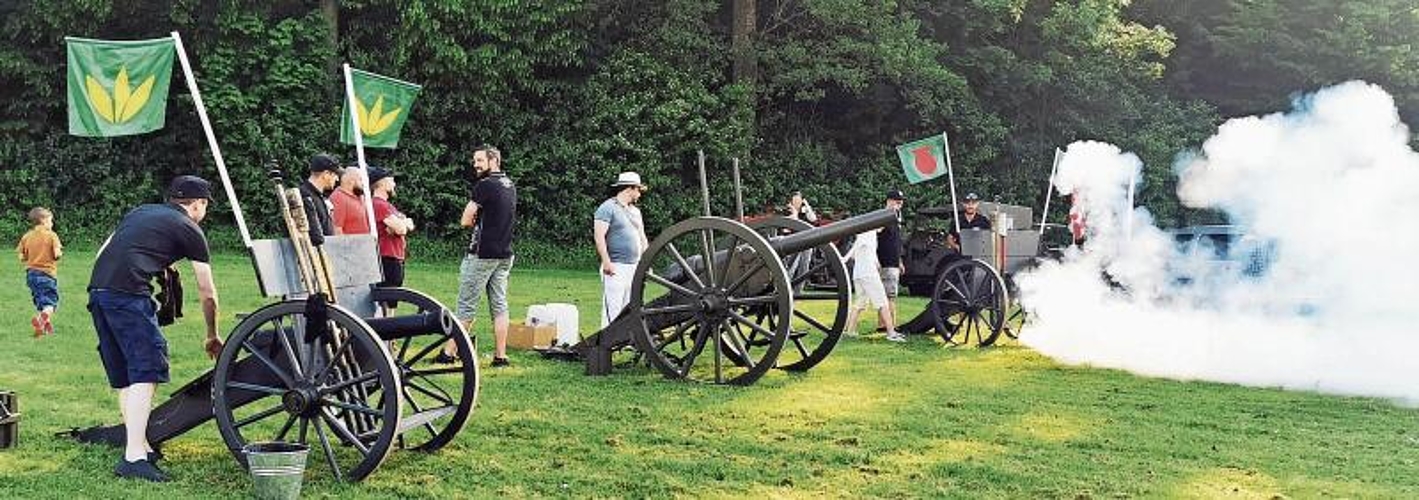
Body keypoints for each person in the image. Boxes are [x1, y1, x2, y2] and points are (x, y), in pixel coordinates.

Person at [88, 175, 222, 482]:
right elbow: (208, 292)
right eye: (205, 205)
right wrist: (212, 334)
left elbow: (103, 252)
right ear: (198, 204)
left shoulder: (140, 212)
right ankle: (134, 457)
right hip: (128, 296)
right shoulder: (191, 228)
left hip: (98, 290)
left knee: (126, 373)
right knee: (147, 368)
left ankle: (141, 445)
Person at [447, 145, 517, 367]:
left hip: (482, 254)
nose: (475, 165)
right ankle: (500, 356)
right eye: (474, 160)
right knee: (499, 305)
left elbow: (465, 219)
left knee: (466, 304)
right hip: (505, 254)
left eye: (479, 160)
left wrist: (473, 221)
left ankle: (448, 353)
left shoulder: (485, 185)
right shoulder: (509, 185)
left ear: (493, 160)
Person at [593, 172, 649, 327]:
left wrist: (646, 263)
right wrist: (606, 262)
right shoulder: (607, 208)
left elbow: (642, 237)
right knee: (613, 307)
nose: (639, 194)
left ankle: (624, 340)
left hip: (634, 266)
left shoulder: (636, 212)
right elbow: (599, 237)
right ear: (629, 189)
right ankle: (606, 342)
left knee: (629, 307)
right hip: (615, 265)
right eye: (638, 190)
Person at [844, 227, 902, 342]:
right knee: (883, 303)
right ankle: (891, 333)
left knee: (859, 303)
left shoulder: (867, 234)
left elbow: (857, 254)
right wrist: (844, 258)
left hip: (859, 274)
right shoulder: (868, 233)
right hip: (868, 274)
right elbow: (857, 247)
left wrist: (877, 264)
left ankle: (850, 330)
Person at [369, 166, 414, 313]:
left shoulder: (388, 206)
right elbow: (401, 228)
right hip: (386, 258)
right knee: (386, 304)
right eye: (392, 180)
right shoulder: (378, 204)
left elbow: (409, 224)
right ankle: (387, 334)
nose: (394, 184)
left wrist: (402, 224)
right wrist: (401, 224)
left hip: (395, 257)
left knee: (392, 303)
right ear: (382, 183)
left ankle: (390, 335)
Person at [17, 207, 63, 337]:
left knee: (41, 301)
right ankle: (40, 320)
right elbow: (57, 254)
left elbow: (21, 257)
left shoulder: (26, 237)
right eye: (50, 220)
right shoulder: (52, 235)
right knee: (50, 303)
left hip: (31, 275)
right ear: (43, 220)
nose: (52, 224)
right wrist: (59, 254)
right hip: (47, 275)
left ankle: (45, 328)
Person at [877, 190, 905, 332]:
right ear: (888, 201)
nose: (899, 204)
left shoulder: (895, 218)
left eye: (900, 202)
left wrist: (899, 261)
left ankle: (883, 324)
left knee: (886, 295)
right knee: (890, 296)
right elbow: (876, 232)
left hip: (893, 261)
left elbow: (896, 243)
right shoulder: (884, 217)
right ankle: (891, 325)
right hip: (886, 261)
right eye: (896, 201)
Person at [298, 153, 342, 245]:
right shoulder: (305, 195)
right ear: (326, 174)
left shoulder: (319, 196)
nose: (337, 179)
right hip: (314, 256)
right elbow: (315, 237)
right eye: (335, 174)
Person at [330, 166, 371, 235]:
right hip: (351, 244)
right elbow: (337, 229)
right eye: (361, 179)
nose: (364, 183)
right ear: (351, 181)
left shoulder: (361, 197)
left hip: (366, 243)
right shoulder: (338, 197)